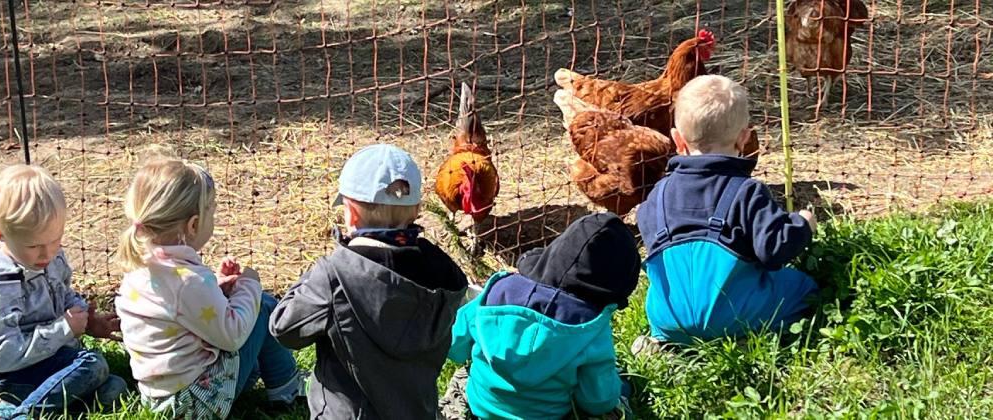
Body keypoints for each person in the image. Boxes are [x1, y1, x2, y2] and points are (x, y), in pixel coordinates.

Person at [270, 144, 469, 419]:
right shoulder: (444, 273)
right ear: (418, 209)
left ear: (350, 213)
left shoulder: (335, 274)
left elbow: (284, 328)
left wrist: (323, 268)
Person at [634, 74, 820, 351]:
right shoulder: (747, 191)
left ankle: (664, 344)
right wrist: (802, 226)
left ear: (677, 139)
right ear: (744, 139)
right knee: (803, 287)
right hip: (732, 314)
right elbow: (774, 251)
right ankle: (747, 337)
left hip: (668, 316)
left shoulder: (656, 196)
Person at [114, 158, 306, 419]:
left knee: (251, 308)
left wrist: (216, 289)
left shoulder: (140, 269)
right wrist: (248, 285)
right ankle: (288, 388)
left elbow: (179, 314)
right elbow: (232, 335)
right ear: (192, 226)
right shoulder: (189, 280)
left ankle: (271, 379)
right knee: (262, 307)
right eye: (211, 212)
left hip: (160, 399)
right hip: (197, 403)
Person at [0, 164, 127, 420]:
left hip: (46, 359)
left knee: (114, 388)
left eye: (56, 240)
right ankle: (17, 414)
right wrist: (64, 329)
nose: (47, 253)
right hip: (4, 375)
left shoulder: (48, 257)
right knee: (92, 364)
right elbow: (2, 357)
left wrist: (87, 320)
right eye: (34, 245)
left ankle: (7, 411)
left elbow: (61, 293)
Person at [443, 213, 639, 420]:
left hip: (482, 407)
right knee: (614, 402)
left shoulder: (496, 291)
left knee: (463, 377)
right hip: (549, 416)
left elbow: (454, 345)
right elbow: (597, 401)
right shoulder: (591, 329)